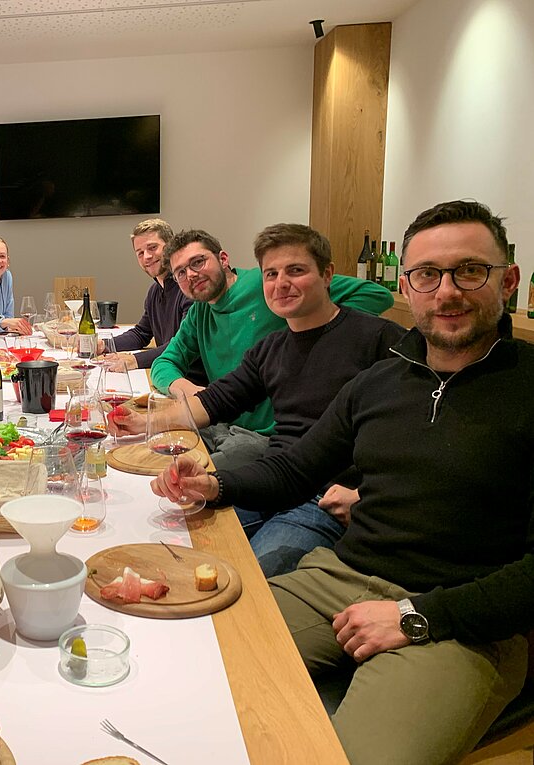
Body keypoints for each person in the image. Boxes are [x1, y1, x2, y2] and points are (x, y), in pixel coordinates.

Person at [151, 200, 530, 765]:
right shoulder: (380, 382)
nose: (446, 291)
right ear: (408, 282)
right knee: (176, 662)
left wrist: (418, 616)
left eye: (469, 271)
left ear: (509, 279)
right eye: (427, 275)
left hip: (465, 619)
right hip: (342, 577)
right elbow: (295, 468)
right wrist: (216, 487)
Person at [114, 223, 405, 576]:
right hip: (276, 480)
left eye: (295, 271)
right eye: (271, 274)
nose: (281, 283)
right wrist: (142, 423)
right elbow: (215, 402)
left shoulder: (377, 339)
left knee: (249, 579)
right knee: (172, 540)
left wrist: (366, 497)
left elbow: (417, 438)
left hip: (322, 499)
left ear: (327, 274)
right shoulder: (272, 349)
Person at [150, 228, 394, 469]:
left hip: (267, 437)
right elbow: (164, 362)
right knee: (152, 455)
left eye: (198, 262)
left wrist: (310, 335)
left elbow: (376, 295)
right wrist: (189, 390)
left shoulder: (268, 285)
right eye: (180, 272)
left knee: (186, 484)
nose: (191, 275)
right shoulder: (199, 311)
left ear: (223, 259)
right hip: (220, 421)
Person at [100, 219, 197, 376]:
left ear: (171, 246)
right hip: (169, 371)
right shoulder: (154, 291)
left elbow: (183, 345)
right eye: (140, 253)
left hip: (190, 379)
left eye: (153, 248)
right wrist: (102, 345)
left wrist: (134, 360)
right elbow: (141, 334)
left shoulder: (188, 288)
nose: (147, 257)